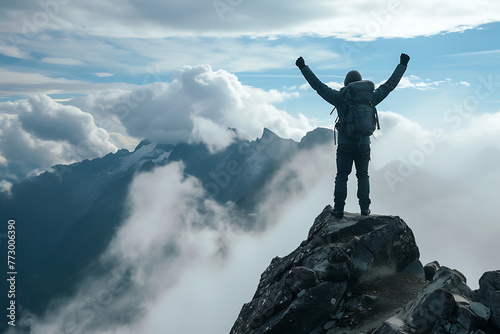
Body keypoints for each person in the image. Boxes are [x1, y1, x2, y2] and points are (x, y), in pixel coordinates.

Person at [296, 53, 410, 218]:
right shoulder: (371, 97)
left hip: (345, 145)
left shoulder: (340, 98)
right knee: (363, 175)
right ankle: (365, 209)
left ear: (346, 84)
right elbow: (390, 85)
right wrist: (402, 65)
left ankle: (339, 209)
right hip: (364, 144)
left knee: (342, 176)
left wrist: (303, 68)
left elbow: (318, 86)